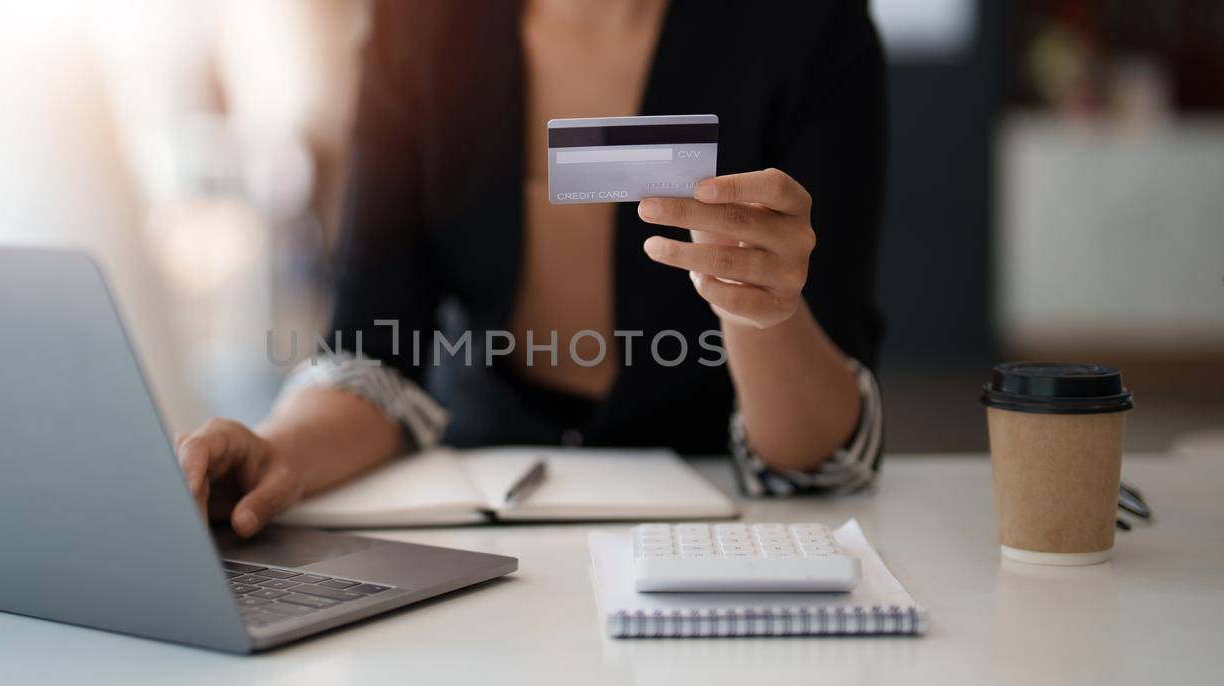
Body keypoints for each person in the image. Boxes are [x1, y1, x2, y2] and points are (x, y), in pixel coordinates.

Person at [178, 0, 886, 536]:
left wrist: (757, 308)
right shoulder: (420, 24)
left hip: (720, 524)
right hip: (485, 513)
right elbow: (375, 354)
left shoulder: (808, 24)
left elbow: (820, 454)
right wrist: (277, 450)